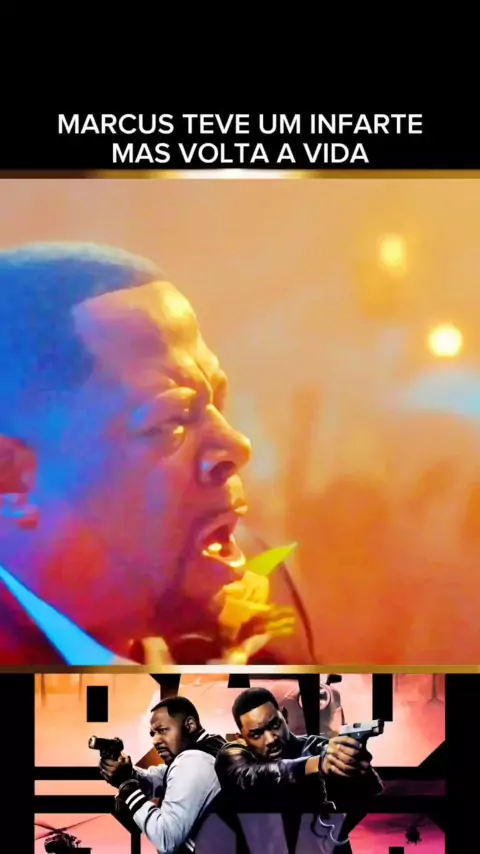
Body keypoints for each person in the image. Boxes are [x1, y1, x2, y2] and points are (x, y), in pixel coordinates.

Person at [0, 242, 312, 665]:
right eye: (169, 422)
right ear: (13, 477)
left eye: (218, 404)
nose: (236, 447)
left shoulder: (262, 577)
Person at [215, 687, 383, 851]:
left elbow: (369, 792)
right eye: (256, 734)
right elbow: (252, 775)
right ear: (241, 738)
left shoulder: (317, 748)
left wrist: (356, 767)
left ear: (285, 716)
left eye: (274, 725)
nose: (271, 739)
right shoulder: (233, 759)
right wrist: (315, 764)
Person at [99, 696, 225, 854]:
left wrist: (127, 787)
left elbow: (166, 839)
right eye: (153, 734)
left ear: (190, 725)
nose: (156, 741)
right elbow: (160, 779)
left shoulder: (194, 760)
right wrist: (127, 773)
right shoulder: (211, 748)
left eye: (162, 730)